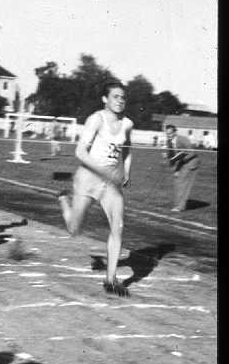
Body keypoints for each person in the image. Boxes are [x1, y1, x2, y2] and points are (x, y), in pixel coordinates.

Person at [58, 81, 133, 297]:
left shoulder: (128, 123)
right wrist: (103, 171)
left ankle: (110, 279)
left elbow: (127, 149)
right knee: (74, 229)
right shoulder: (96, 119)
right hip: (88, 179)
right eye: (115, 96)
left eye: (123, 97)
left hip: (109, 184)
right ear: (105, 99)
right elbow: (80, 152)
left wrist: (126, 171)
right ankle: (64, 200)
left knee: (118, 226)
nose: (120, 100)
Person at [164, 125, 200, 212]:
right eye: (167, 134)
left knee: (182, 184)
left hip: (191, 163)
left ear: (175, 132)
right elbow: (172, 158)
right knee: (177, 182)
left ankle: (180, 207)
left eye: (170, 133)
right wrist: (175, 169)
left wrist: (182, 158)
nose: (169, 135)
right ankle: (178, 205)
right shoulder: (168, 142)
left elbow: (193, 152)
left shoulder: (182, 139)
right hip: (181, 163)